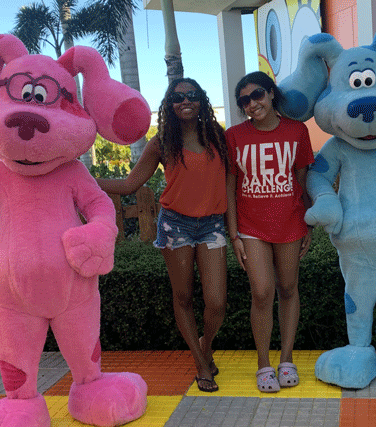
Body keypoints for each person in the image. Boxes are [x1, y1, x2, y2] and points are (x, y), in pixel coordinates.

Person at [97, 78, 228, 393]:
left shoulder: (216, 135)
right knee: (183, 297)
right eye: (177, 97)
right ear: (169, 104)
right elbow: (129, 185)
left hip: (212, 225)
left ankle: (205, 345)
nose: (185, 101)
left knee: (216, 301)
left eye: (192, 95)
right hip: (175, 226)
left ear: (201, 100)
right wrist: (80, 178)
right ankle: (201, 364)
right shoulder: (162, 142)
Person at [225, 71, 314, 393]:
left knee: (288, 288)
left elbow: (302, 181)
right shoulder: (234, 136)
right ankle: (264, 365)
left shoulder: (297, 131)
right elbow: (230, 186)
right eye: (244, 100)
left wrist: (307, 223)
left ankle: (286, 359)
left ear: (271, 93)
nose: (252, 103)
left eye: (257, 95)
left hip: (290, 222)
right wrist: (234, 235)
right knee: (262, 292)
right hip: (251, 226)